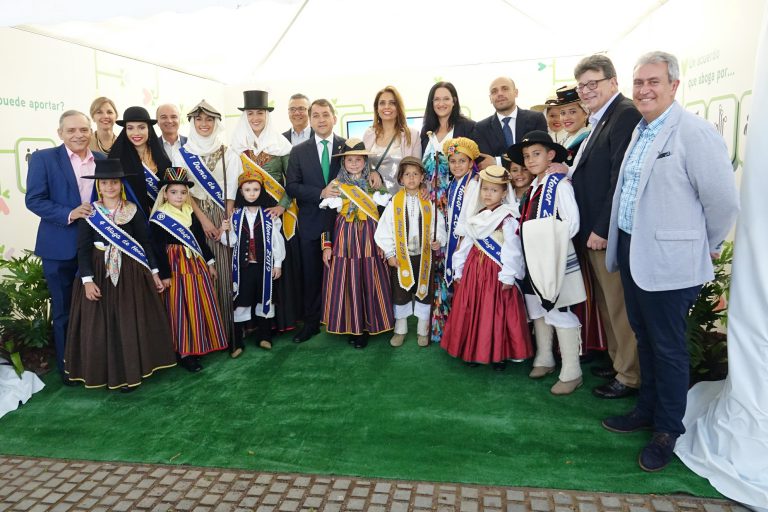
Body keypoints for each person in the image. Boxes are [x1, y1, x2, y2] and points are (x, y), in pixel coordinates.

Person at [602, 51, 739, 471]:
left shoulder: (693, 133)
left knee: (669, 348)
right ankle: (646, 410)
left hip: (669, 263)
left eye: (654, 82)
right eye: (639, 82)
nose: (644, 89)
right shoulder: (641, 131)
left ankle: (667, 430)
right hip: (632, 251)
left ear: (674, 86)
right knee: (645, 338)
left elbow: (722, 203)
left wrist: (698, 245)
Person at [64, 159, 176, 392]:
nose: (110, 187)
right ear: (98, 186)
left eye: (114, 182)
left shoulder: (132, 210)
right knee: (102, 323)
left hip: (130, 272)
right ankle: (105, 372)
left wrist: (154, 272)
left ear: (120, 184)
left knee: (127, 320)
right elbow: (82, 249)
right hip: (98, 270)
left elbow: (145, 242)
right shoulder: (89, 212)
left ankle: (130, 371)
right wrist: (87, 280)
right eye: (105, 183)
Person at [569, 54, 642, 399]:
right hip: (592, 232)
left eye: (592, 83)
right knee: (606, 302)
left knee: (618, 304)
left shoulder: (624, 114)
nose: (585, 91)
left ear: (613, 82)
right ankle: (617, 362)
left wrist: (601, 228)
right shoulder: (601, 118)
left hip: (606, 232)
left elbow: (619, 179)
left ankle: (629, 376)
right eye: (582, 85)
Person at [25, 110, 105, 384]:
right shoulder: (43, 159)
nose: (78, 135)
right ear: (60, 133)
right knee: (63, 312)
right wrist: (71, 213)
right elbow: (34, 200)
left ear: (91, 131)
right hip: (59, 249)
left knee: (98, 310)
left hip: (98, 249)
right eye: (71, 130)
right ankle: (69, 368)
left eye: (83, 129)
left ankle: (98, 362)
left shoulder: (103, 160)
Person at [510, 131, 585, 395]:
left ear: (551, 155)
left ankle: (572, 370)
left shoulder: (559, 185)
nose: (530, 160)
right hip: (534, 260)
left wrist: (548, 241)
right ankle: (545, 356)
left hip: (555, 259)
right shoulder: (533, 188)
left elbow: (572, 224)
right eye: (527, 156)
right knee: (537, 307)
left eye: (537, 154)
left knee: (559, 308)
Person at [441, 165, 531, 369]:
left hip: (496, 274)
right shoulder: (477, 216)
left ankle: (499, 354)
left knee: (497, 313)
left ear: (504, 192)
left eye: (494, 190)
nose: (488, 194)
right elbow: (465, 245)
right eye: (485, 189)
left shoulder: (508, 218)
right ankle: (472, 351)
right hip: (474, 272)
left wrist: (508, 276)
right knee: (474, 311)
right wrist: (459, 268)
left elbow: (513, 250)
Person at [231, 90, 303, 334]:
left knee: (273, 264)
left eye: (259, 112)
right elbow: (232, 182)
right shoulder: (236, 144)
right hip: (246, 212)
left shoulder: (281, 144)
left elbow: (291, 181)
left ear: (266, 115)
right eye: (250, 113)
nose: (255, 117)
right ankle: (247, 323)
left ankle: (275, 323)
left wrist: (282, 206)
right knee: (248, 264)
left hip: (272, 213)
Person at [174, 100, 240, 344]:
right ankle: (205, 333)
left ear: (216, 123)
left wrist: (225, 219)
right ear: (192, 123)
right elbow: (181, 191)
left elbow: (231, 188)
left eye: (209, 119)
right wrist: (203, 221)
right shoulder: (181, 153)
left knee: (223, 270)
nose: (204, 124)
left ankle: (228, 330)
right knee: (200, 273)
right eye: (199, 119)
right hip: (191, 216)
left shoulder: (227, 151)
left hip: (223, 215)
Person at [150, 167, 228, 372]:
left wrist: (210, 263)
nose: (179, 196)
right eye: (174, 192)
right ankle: (184, 352)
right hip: (175, 267)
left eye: (183, 192)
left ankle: (200, 343)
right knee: (179, 308)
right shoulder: (159, 217)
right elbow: (157, 249)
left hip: (196, 265)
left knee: (199, 303)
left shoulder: (190, 212)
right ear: (165, 194)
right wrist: (164, 275)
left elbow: (200, 241)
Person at [320, 139, 394, 348]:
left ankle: (370, 325)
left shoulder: (374, 184)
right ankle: (353, 324)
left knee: (370, 277)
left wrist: (384, 244)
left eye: (358, 159)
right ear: (343, 162)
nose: (354, 163)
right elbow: (326, 217)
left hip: (371, 235)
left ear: (365, 161)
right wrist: (327, 245)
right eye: (349, 160)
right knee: (348, 278)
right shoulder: (335, 185)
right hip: (345, 237)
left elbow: (384, 215)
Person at [285, 99, 346, 343]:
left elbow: (359, 173)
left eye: (325, 114)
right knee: (311, 275)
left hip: (343, 223)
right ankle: (311, 323)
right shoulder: (299, 151)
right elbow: (291, 186)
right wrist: (320, 193)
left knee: (343, 274)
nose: (321, 119)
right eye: (316, 115)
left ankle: (344, 320)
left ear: (334, 117)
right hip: (310, 222)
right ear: (310, 120)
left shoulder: (347, 147)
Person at [375, 156, 447, 347]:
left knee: (424, 292)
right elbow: (384, 230)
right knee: (400, 292)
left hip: (424, 257)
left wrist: (438, 240)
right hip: (401, 257)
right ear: (400, 179)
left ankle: (422, 330)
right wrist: (390, 254)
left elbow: (437, 225)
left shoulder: (428, 202)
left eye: (416, 174)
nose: (412, 178)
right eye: (407, 174)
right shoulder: (394, 202)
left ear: (423, 177)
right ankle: (400, 329)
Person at [220, 169, 285, 357]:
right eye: (247, 189)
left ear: (261, 191)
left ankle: (264, 336)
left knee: (264, 298)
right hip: (243, 268)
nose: (251, 193)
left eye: (255, 189)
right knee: (241, 301)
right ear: (241, 192)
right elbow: (230, 242)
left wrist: (278, 263)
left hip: (264, 266)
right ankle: (237, 341)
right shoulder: (235, 215)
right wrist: (226, 231)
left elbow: (276, 240)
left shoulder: (269, 215)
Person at [109, 106, 172, 217]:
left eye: (141, 127)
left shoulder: (161, 156)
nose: (136, 133)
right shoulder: (116, 158)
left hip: (162, 217)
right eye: (130, 128)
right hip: (131, 218)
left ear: (149, 129)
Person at [472, 77, 547, 169]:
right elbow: (486, 163)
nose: (500, 94)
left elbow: (540, 155)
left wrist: (498, 161)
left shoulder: (536, 119)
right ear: (490, 98)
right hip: (498, 182)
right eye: (494, 91)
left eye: (505, 89)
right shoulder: (481, 128)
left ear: (516, 92)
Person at [363, 85, 421, 195]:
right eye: (382, 103)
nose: (387, 107)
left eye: (392, 103)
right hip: (373, 201)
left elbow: (417, 171)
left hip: (401, 200)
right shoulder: (369, 134)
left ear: (398, 107)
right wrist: (371, 173)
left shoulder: (412, 135)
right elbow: (359, 167)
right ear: (377, 108)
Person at [419, 81, 476, 153]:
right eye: (437, 99)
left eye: (446, 99)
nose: (441, 104)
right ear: (431, 102)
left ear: (454, 101)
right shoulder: (426, 130)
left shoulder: (469, 128)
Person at [555, 85, 591, 166]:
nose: (566, 118)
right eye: (562, 113)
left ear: (586, 113)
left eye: (572, 112)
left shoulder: (590, 141)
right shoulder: (562, 141)